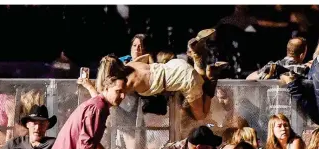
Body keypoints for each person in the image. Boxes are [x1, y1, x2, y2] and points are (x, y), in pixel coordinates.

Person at [92, 30, 226, 121]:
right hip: (174, 65)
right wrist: (152, 67)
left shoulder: (125, 83)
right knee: (200, 80)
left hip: (182, 79)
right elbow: (147, 56)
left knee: (201, 115)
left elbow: (108, 100)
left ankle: (212, 77)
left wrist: (89, 86)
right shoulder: (132, 64)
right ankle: (197, 57)